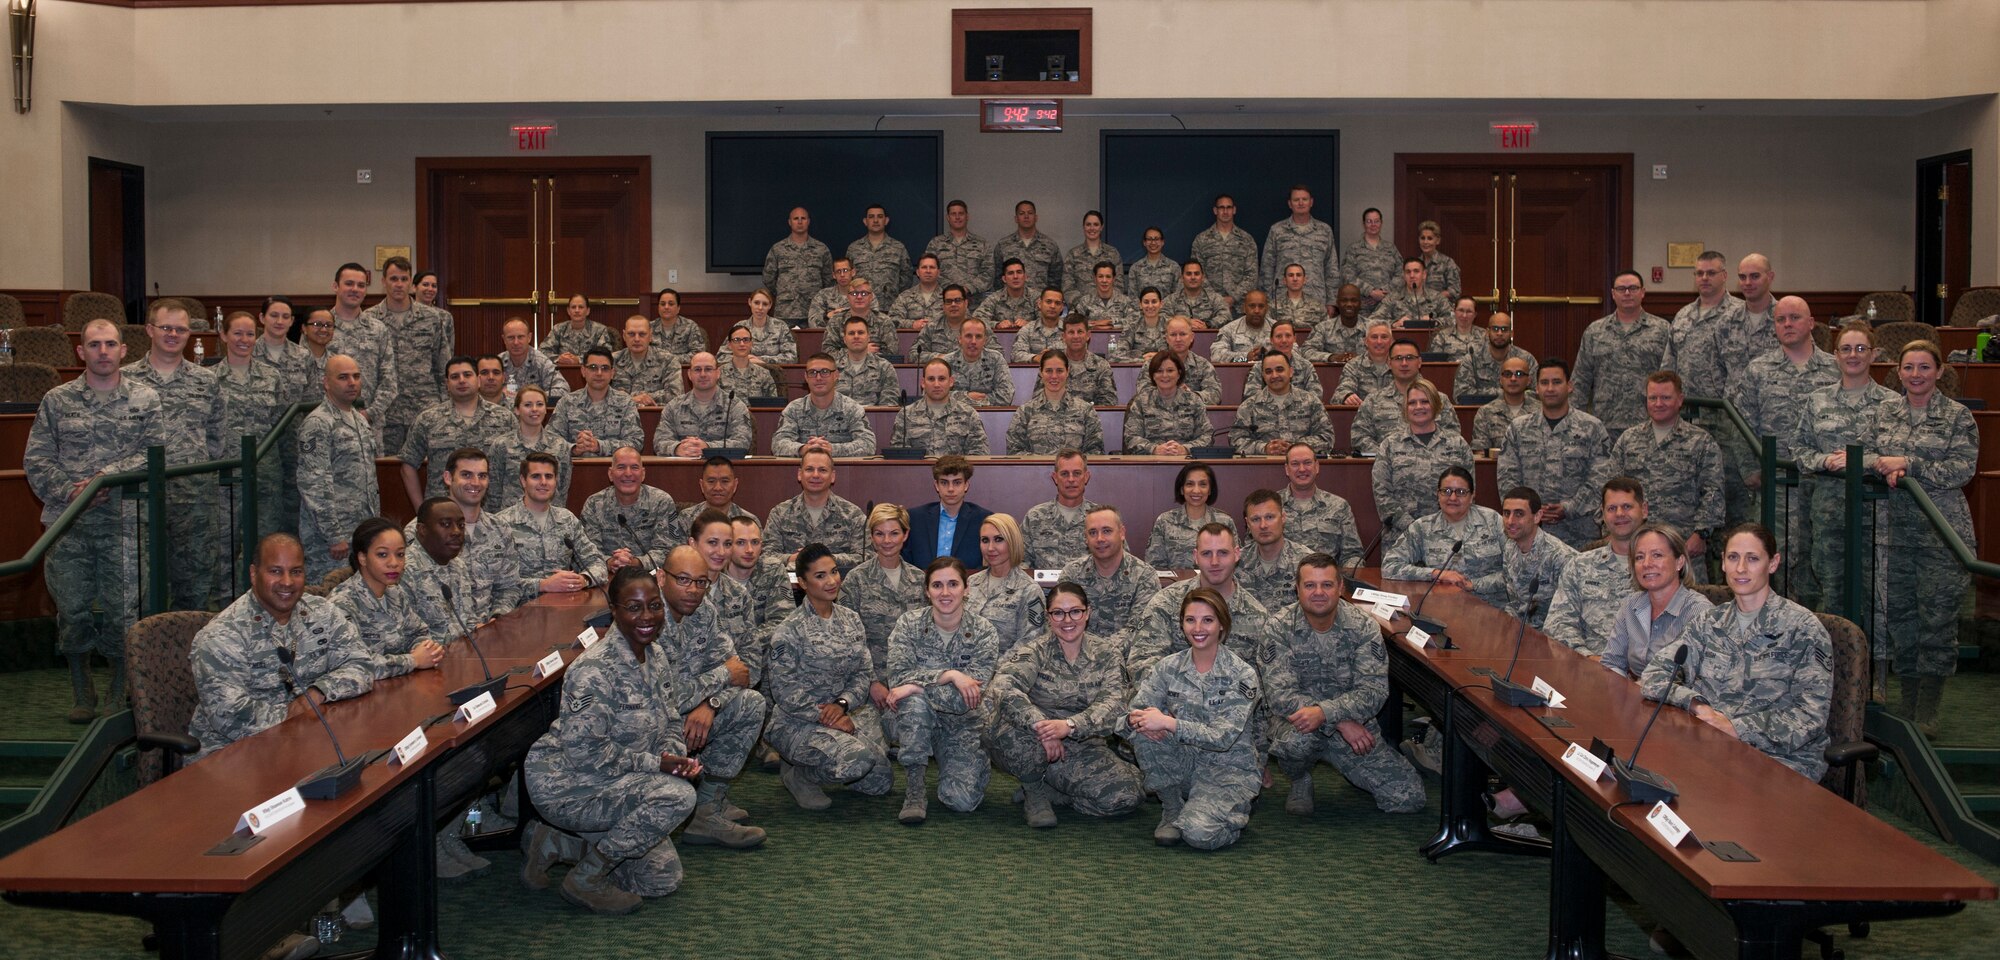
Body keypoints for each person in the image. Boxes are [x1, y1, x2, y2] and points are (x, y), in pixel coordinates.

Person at [522, 566, 702, 914]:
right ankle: (586, 878)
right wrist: (658, 766)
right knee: (678, 797)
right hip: (569, 784)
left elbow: (670, 720)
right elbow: (587, 754)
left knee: (660, 880)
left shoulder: (656, 655)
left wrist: (676, 758)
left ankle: (554, 844)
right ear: (614, 610)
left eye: (654, 605)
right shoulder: (594, 670)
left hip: (617, 777)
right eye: (633, 608)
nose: (647, 616)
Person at [24, 318, 173, 721]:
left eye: (110, 344)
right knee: (71, 609)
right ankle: (81, 687)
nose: (103, 351)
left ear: (124, 350)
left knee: (123, 608)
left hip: (124, 520)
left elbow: (156, 453)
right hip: (67, 522)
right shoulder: (57, 400)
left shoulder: (145, 399)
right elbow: (36, 459)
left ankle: (118, 688)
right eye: (94, 345)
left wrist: (108, 478)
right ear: (81, 352)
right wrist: (72, 491)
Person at [1640, 524, 1832, 781]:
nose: (1741, 568)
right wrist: (1696, 704)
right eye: (1733, 558)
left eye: (1752, 559)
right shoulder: (1709, 622)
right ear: (1723, 563)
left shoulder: (1803, 629)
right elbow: (1654, 675)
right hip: (1711, 746)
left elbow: (1810, 717)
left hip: (1779, 760)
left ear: (1773, 563)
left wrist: (1736, 728)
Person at [1868, 339, 1978, 735]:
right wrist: (1877, 463)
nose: (1916, 375)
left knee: (1937, 623)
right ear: (1898, 372)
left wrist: (1908, 464)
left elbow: (1962, 469)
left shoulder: (1957, 416)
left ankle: (1928, 711)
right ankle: (1907, 704)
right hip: (1893, 533)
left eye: (1924, 368)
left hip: (1941, 535)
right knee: (1902, 621)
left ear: (1940, 371)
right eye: (1909, 368)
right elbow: (1869, 455)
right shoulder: (1884, 412)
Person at [188, 533, 375, 761]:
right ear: (254, 573)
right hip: (234, 755)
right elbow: (229, 716)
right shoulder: (222, 635)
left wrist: (318, 693)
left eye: (296, 572)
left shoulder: (322, 612)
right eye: (275, 571)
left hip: (308, 741)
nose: (287, 582)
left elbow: (362, 664)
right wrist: (295, 715)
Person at [1266, 553, 1426, 815]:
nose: (1319, 592)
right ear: (1297, 589)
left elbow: (1374, 692)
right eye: (1310, 585)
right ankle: (1299, 779)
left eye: (1327, 585)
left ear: (1340, 588)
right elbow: (1280, 695)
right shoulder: (1278, 627)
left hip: (1355, 728)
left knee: (1408, 799)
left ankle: (1352, 768)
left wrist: (1329, 715)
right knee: (1295, 743)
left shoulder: (1363, 626)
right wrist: (1336, 719)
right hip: (1303, 724)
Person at [986, 582, 1144, 828]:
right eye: (1058, 613)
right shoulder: (1035, 651)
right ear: (1049, 617)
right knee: (1001, 722)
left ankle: (1057, 793)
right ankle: (1034, 791)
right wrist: (1043, 727)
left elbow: (1114, 704)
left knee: (1127, 797)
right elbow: (1004, 686)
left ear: (1087, 612)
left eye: (1075, 611)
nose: (1067, 620)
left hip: (1083, 746)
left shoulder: (1107, 653)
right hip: (1037, 744)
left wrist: (1070, 726)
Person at [1124, 587, 1261, 849]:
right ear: (1182, 624)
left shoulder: (1242, 675)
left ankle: (1231, 811)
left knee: (1199, 835)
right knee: (1146, 731)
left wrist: (1168, 722)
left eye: (1207, 620)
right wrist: (1137, 721)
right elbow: (1131, 715)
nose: (1198, 628)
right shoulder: (1168, 667)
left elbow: (1223, 737)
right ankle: (1172, 809)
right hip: (1184, 764)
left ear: (1222, 625)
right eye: (1190, 620)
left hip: (1226, 769)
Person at [654, 545, 771, 849]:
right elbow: (665, 698)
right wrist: (719, 677)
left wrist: (712, 704)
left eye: (701, 582)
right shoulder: (645, 617)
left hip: (692, 718)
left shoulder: (704, 610)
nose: (693, 590)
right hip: (650, 731)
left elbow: (740, 671)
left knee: (751, 704)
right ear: (660, 578)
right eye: (683, 580)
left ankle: (707, 808)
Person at [764, 544, 895, 809]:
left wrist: (843, 705)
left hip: (844, 712)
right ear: (802, 582)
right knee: (858, 760)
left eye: (834, 572)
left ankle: (817, 765)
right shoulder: (789, 630)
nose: (832, 581)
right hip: (797, 721)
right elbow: (784, 692)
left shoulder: (851, 620)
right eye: (820, 575)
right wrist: (826, 717)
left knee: (880, 781)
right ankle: (800, 776)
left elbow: (862, 673)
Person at [1730, 295, 1839, 604]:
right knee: (1773, 561)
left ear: (1811, 323)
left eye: (1794, 318)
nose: (1787, 324)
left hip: (1823, 485)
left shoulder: (1834, 369)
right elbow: (1740, 423)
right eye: (1780, 319)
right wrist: (1750, 468)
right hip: (1776, 487)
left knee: (1820, 561)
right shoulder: (1759, 370)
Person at [883, 557, 1003, 824]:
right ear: (927, 590)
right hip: (912, 720)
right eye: (937, 585)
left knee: (961, 802)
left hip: (962, 724)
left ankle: (959, 760)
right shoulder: (908, 625)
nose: (945, 593)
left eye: (953, 584)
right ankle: (915, 789)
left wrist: (915, 685)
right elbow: (897, 677)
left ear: (966, 588)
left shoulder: (984, 632)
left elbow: (967, 699)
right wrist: (948, 675)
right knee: (913, 704)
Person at [1794, 323, 1895, 638]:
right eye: (1846, 349)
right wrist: (1823, 460)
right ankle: (1836, 678)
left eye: (1861, 349)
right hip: (1829, 515)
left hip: (1876, 516)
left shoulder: (1891, 403)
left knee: (1876, 598)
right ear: (1835, 355)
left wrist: (1859, 462)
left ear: (1873, 354)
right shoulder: (1818, 400)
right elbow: (1799, 448)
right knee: (1833, 596)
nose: (1854, 355)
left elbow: (1897, 453)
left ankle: (1873, 682)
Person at [126, 299, 225, 610]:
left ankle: (187, 651)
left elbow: (217, 439)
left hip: (195, 499)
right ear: (149, 330)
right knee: (141, 581)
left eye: (180, 329)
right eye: (166, 327)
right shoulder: (125, 380)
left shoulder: (207, 380)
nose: (173, 334)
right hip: (141, 496)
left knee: (195, 583)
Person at [1122, 523, 1271, 684]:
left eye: (1222, 553)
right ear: (1195, 557)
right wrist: (1183, 698)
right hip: (1168, 704)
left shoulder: (1258, 616)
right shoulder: (1167, 601)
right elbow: (1142, 662)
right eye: (1206, 553)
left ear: (1236, 554)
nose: (1215, 562)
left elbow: (1261, 683)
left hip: (1230, 707)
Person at [1610, 371, 1724, 577]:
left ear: (1680, 400)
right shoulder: (1628, 440)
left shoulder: (1701, 442)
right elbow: (1612, 489)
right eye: (1652, 398)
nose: (1658, 403)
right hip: (1636, 549)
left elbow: (1713, 492)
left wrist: (1702, 534)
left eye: (1665, 397)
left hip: (1684, 548)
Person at [1496, 358, 1613, 547]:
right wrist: (1529, 510)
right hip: (1531, 533)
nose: (1550, 388)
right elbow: (1507, 478)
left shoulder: (1592, 427)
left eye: (1557, 382)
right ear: (1536, 388)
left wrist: (1570, 508)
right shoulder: (1518, 428)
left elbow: (1601, 478)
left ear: (1570, 386)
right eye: (1544, 382)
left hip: (1580, 533)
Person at [298, 355, 382, 583]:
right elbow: (314, 484)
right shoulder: (318, 423)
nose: (352, 382)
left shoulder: (359, 420)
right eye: (343, 377)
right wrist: (333, 535)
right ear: (326, 382)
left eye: (356, 376)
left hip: (361, 532)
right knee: (329, 598)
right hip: (333, 540)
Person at [1544, 478, 1649, 657]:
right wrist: (1588, 657)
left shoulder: (1661, 567)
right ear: (1602, 514)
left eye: (1627, 507)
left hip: (1644, 674)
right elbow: (1557, 624)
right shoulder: (1580, 565)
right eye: (1612, 508)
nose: (1619, 514)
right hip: (1589, 668)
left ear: (1644, 510)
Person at [331, 518, 446, 680]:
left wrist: (425, 649)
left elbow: (418, 632)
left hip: (399, 684)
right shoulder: (341, 604)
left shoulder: (394, 592)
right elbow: (357, 666)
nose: (394, 563)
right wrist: (413, 660)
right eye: (382, 554)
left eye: (400, 554)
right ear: (362, 558)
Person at [842, 504, 927, 717]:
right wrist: (871, 682)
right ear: (871, 537)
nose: (887, 541)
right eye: (879, 534)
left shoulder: (920, 580)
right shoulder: (856, 579)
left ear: (905, 535)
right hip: (869, 686)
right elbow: (848, 638)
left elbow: (929, 635)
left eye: (894, 533)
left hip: (912, 682)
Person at [1382, 466, 1508, 608]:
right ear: (1438, 494)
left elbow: (1514, 570)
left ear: (1472, 496)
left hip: (1492, 609)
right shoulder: (1423, 527)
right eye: (1446, 491)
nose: (1452, 498)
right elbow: (1389, 566)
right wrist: (1435, 574)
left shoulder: (1493, 520)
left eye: (1461, 492)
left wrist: (1474, 584)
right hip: (1444, 610)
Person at [215, 311, 287, 551]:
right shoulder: (209, 379)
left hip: (265, 472)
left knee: (266, 543)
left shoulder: (271, 376)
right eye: (237, 333)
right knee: (226, 543)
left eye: (249, 334)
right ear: (224, 335)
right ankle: (230, 590)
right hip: (226, 473)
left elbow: (280, 423)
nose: (244, 339)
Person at [1601, 523, 1713, 678]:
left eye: (1657, 555)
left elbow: (1703, 681)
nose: (1647, 564)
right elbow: (1612, 663)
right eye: (1640, 557)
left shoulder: (1700, 613)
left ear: (1679, 562)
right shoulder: (1631, 605)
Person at [399, 355, 512, 506]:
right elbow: (408, 465)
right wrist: (422, 510)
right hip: (442, 512)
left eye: (467, 375)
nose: (461, 380)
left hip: (492, 512)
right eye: (454, 376)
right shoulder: (428, 419)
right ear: (447, 383)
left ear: (478, 380)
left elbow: (517, 465)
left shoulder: (505, 418)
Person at [1371, 378, 1474, 541]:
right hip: (1403, 537)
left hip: (1450, 536)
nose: (1418, 407)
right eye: (1412, 403)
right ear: (1405, 408)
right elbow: (1382, 496)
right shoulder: (1389, 445)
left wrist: (1443, 526)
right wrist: (1414, 528)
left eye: (1425, 401)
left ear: (1436, 405)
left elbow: (1468, 492)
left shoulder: (1458, 444)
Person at [487, 453, 605, 593]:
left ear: (555, 481)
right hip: (519, 609)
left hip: (564, 605)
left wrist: (583, 579)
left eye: (549, 476)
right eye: (536, 476)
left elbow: (597, 562)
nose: (543, 482)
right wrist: (543, 585)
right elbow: (495, 581)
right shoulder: (500, 523)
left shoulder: (567, 519)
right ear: (523, 481)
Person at [1571, 270, 1671, 431]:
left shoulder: (1662, 330)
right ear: (1613, 294)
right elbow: (1581, 379)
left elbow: (1671, 377)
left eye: (1633, 288)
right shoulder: (1595, 331)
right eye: (1621, 289)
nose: (1627, 293)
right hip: (1604, 423)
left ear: (1643, 292)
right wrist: (1576, 421)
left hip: (1648, 422)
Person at [253, 297, 314, 534]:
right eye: (274, 315)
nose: (279, 321)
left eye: (285, 317)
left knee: (293, 495)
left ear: (292, 322)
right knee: (264, 499)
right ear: (262, 318)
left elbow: (310, 400)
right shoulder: (250, 352)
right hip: (262, 438)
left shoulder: (303, 356)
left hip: (294, 438)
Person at [1057, 506, 1161, 636]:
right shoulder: (1072, 574)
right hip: (1079, 652)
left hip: (1127, 655)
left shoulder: (1144, 576)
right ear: (1086, 538)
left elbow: (1139, 629)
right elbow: (1060, 623)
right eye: (1093, 532)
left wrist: (1102, 651)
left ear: (1122, 533)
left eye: (1106, 531)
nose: (1100, 538)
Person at [326, 262, 401, 435]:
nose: (355, 289)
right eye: (349, 283)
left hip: (369, 426)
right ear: (335, 286)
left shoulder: (378, 329)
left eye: (361, 285)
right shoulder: (320, 328)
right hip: (330, 425)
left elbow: (389, 381)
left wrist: (369, 414)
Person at [763, 449, 868, 568]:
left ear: (832, 476)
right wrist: (794, 558)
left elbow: (864, 557)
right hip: (790, 585)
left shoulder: (852, 514)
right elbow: (766, 556)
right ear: (799, 474)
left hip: (837, 584)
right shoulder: (779, 513)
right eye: (809, 469)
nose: (815, 475)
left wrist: (825, 559)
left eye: (822, 470)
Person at [581, 446, 677, 574]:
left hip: (650, 576)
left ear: (643, 474)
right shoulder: (593, 504)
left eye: (634, 467)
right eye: (621, 467)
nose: (628, 473)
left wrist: (636, 562)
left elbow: (669, 550)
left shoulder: (663, 501)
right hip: (606, 575)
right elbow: (586, 552)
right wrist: (610, 562)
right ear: (610, 474)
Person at [1665, 249, 1740, 406]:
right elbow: (1669, 363)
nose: (1704, 278)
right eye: (1699, 273)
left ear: (1724, 276)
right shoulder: (1683, 315)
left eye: (1711, 273)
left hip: (1723, 411)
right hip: (1685, 408)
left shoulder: (1739, 313)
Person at [966, 513, 1048, 652]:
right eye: (985, 540)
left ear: (1013, 541)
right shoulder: (972, 582)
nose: (991, 548)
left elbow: (1030, 644)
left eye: (998, 539)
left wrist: (989, 669)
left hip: (1006, 669)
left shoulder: (1029, 589)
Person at [771, 353, 877, 457]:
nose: (818, 378)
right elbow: (778, 443)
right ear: (806, 377)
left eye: (825, 372)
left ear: (836, 375)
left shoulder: (851, 409)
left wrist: (831, 449)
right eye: (812, 372)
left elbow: (868, 444)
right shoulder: (794, 409)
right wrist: (804, 449)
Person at [486, 385, 572, 511]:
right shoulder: (502, 445)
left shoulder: (560, 445)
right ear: (517, 410)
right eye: (528, 405)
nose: (534, 409)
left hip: (549, 519)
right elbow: (493, 490)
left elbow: (562, 488)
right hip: (510, 520)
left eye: (539, 404)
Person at [1499, 486, 1575, 629]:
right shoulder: (1510, 547)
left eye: (1519, 514)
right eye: (1506, 513)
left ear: (1537, 516)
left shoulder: (1560, 556)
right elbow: (1515, 602)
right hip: (1521, 630)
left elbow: (1570, 615)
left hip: (1552, 635)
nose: (1510, 521)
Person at [1231, 351, 1332, 457]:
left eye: (1280, 370)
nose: (1274, 375)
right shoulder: (1249, 406)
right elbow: (1236, 440)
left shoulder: (1311, 402)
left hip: (1301, 466)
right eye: (1268, 371)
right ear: (1263, 376)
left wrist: (1295, 447)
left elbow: (1327, 437)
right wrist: (1264, 448)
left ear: (1291, 372)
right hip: (1263, 469)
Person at [1278, 443, 1364, 565]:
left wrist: (1341, 580)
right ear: (1287, 469)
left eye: (1307, 462)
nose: (1302, 469)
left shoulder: (1339, 506)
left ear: (1317, 466)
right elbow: (1256, 550)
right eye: (1295, 464)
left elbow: (1353, 555)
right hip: (1282, 581)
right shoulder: (1271, 505)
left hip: (1324, 581)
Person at [1348, 337, 1437, 453]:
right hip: (1387, 467)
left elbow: (1451, 435)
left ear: (1419, 362)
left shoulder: (1438, 399)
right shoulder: (1373, 401)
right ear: (1389, 363)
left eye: (1410, 358)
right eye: (1398, 358)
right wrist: (1386, 455)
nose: (1404, 363)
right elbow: (1359, 436)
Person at [1007, 351, 1105, 456]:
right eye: (1048, 371)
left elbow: (1096, 452)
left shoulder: (1086, 411)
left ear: (1068, 372)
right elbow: (1014, 452)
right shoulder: (1025, 412)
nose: (1054, 376)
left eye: (1059, 371)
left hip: (1072, 471)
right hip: (1035, 472)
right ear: (1041, 372)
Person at [903, 455, 992, 569]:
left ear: (966, 485)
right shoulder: (915, 518)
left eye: (957, 482)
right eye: (944, 483)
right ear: (936, 486)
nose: (950, 489)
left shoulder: (983, 519)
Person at [551, 347, 644, 457]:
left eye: (605, 368)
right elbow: (550, 440)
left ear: (612, 373)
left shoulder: (625, 402)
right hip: (575, 471)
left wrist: (599, 446)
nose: (599, 373)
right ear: (583, 371)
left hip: (615, 470)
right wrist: (574, 448)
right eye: (593, 367)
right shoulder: (567, 402)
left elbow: (636, 442)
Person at [658, 351, 754, 456]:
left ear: (718, 373)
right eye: (697, 370)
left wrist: (708, 448)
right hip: (683, 469)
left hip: (719, 469)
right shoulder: (673, 407)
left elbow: (743, 442)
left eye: (708, 369)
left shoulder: (735, 406)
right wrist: (677, 448)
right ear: (689, 374)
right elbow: (660, 441)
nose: (703, 374)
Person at [890, 358, 990, 455]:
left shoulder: (969, 414)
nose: (936, 384)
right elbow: (899, 455)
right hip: (918, 472)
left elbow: (979, 454)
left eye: (941, 379)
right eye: (931, 379)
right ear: (923, 383)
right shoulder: (905, 415)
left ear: (951, 381)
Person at [1236, 489, 1315, 612]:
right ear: (1248, 524)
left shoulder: (1307, 562)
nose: (1263, 525)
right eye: (1256, 519)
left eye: (1269, 517)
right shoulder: (1235, 563)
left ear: (1283, 517)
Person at [1123, 351, 1213, 457]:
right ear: (1153, 375)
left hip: (1186, 461)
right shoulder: (1141, 402)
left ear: (1179, 373)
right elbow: (1131, 437)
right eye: (1159, 371)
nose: (1165, 375)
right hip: (1150, 463)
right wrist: (1155, 449)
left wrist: (1185, 449)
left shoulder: (1194, 401)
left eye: (1170, 370)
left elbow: (1207, 436)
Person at [1262, 185, 1340, 307]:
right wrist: (1267, 300)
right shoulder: (1277, 230)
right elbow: (1267, 268)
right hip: (1282, 300)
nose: (1300, 203)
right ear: (1289, 203)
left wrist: (1331, 302)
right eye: (1296, 200)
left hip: (1316, 299)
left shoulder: (1324, 230)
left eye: (1304, 199)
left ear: (1311, 202)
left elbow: (1331, 268)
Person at [1023, 451, 1102, 570]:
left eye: (1077, 473)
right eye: (1064, 474)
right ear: (1055, 478)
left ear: (1086, 477)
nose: (1071, 479)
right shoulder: (1035, 517)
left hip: (1089, 588)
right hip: (1045, 588)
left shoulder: (1101, 517)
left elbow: (1118, 559)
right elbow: (1020, 562)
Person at [1719, 253, 1783, 393]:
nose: (1747, 282)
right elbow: (1717, 372)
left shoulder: (1787, 319)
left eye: (1755, 276)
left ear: (1770, 277)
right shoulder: (1726, 322)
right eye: (1742, 277)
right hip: (1733, 410)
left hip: (1775, 408)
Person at [763, 206, 834, 325]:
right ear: (790, 222)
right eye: (796, 218)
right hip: (786, 312)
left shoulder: (821, 249)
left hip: (813, 311)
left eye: (803, 218)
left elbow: (829, 279)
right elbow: (768, 278)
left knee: (814, 343)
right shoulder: (778, 249)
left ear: (809, 221)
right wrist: (784, 292)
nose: (800, 222)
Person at [669, 455, 753, 544]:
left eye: (724, 481)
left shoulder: (749, 520)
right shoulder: (685, 518)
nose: (718, 488)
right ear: (701, 485)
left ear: (735, 485)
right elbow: (678, 553)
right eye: (711, 481)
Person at [1039, 314, 1117, 405]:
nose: (1076, 336)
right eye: (1071, 332)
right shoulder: (1052, 363)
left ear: (1088, 335)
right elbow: (1039, 397)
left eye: (1080, 332)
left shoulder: (1101, 365)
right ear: (1063, 337)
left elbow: (1108, 403)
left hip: (1090, 417)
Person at [924, 199, 992, 299]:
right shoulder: (936, 244)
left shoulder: (982, 244)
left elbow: (989, 273)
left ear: (967, 216)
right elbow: (929, 271)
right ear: (948, 217)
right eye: (953, 214)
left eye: (961, 213)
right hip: (942, 303)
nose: (957, 217)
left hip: (974, 304)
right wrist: (951, 290)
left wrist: (968, 288)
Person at [938, 316, 1013, 405]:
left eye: (978, 336)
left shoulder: (996, 359)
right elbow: (931, 393)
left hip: (988, 415)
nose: (973, 341)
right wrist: (967, 397)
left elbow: (1007, 395)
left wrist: (978, 401)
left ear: (984, 340)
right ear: (960, 339)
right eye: (968, 336)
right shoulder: (946, 362)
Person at [846, 203, 913, 304]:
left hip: (889, 307)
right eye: (871, 217)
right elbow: (847, 277)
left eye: (880, 217)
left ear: (886, 221)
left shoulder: (898, 248)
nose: (876, 220)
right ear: (865, 221)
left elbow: (906, 278)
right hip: (860, 305)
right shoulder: (854, 248)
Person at [1459, 311, 1533, 400]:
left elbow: (1536, 393)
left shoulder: (1526, 359)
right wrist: (1507, 392)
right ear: (1487, 332)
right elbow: (1461, 394)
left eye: (1504, 329)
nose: (1499, 333)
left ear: (1511, 334)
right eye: (1495, 329)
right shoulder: (1472, 358)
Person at [612, 313, 684, 405]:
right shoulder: (612, 360)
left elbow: (676, 395)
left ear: (650, 336)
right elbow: (600, 395)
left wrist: (643, 398)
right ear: (624, 335)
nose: (637, 339)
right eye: (631, 334)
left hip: (654, 417)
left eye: (642, 334)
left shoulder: (668, 360)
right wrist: (632, 399)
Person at [1338, 208, 1401, 312]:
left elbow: (1401, 274)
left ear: (1381, 223)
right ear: (1363, 224)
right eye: (1369, 221)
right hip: (1362, 307)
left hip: (1388, 306)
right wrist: (1370, 291)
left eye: (1376, 221)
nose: (1373, 224)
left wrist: (1383, 292)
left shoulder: (1391, 248)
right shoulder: (1354, 249)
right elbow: (1347, 275)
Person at [994, 199, 1062, 293]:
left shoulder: (1050, 245)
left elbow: (1056, 278)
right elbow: (997, 277)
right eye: (1022, 213)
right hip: (1011, 303)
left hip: (1040, 302)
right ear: (1016, 219)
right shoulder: (1003, 245)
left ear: (1036, 217)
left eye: (1030, 213)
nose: (1026, 216)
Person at [833, 314, 903, 405]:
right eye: (851, 333)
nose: (856, 336)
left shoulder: (884, 367)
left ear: (868, 337)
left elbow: (889, 404)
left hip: (874, 418)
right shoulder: (832, 368)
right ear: (845, 339)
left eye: (861, 332)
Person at [1470, 355, 1535, 453]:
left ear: (1529, 380)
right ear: (1500, 380)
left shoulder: (1540, 411)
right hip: (1497, 467)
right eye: (1507, 374)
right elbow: (1480, 453)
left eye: (1519, 374)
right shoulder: (1485, 413)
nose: (1513, 379)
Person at [1370, 257, 1452, 329]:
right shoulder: (1392, 298)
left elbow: (1453, 319)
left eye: (1416, 271)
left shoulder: (1437, 297)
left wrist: (1435, 322)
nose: (1412, 275)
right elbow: (1372, 321)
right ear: (1404, 275)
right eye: (1408, 272)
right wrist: (1394, 323)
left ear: (1424, 274)